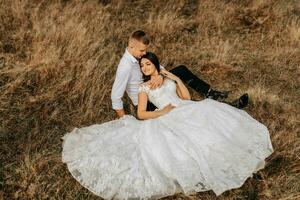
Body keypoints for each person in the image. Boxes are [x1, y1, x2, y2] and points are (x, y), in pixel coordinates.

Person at [62, 52, 273, 200]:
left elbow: (187, 96)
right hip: (168, 113)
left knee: (209, 115)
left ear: (155, 64)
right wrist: (161, 112)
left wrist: (173, 77)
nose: (145, 67)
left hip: (186, 107)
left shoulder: (165, 76)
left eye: (148, 63)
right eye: (142, 65)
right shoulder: (143, 87)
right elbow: (141, 114)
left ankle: (226, 116)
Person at [111, 30, 248, 118]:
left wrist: (160, 75)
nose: (145, 53)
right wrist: (125, 122)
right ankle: (228, 107)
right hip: (148, 101)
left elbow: (157, 67)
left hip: (158, 86)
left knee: (181, 71)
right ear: (131, 47)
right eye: (142, 50)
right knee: (189, 108)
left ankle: (211, 94)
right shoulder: (125, 67)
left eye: (145, 50)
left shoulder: (138, 56)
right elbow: (115, 97)